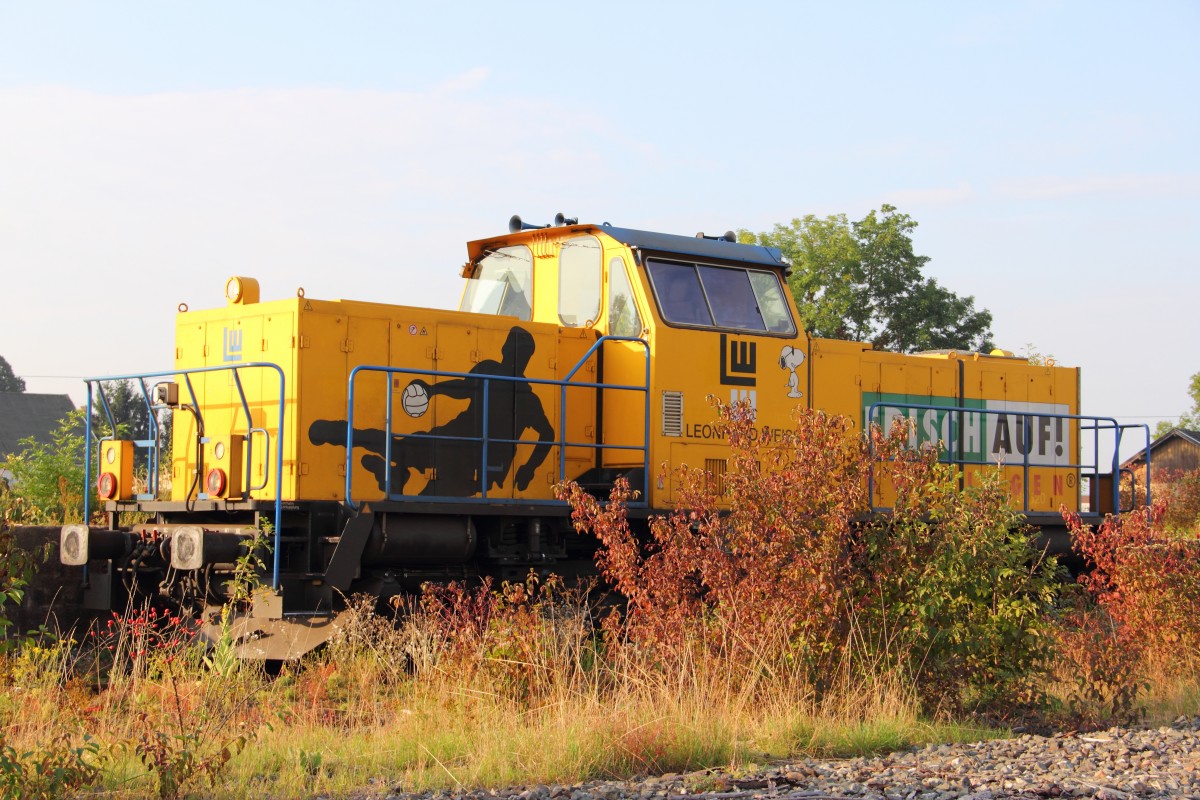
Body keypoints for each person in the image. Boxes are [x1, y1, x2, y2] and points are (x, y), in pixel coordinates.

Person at [309, 325, 556, 497]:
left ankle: (381, 465)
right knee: (402, 450)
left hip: (471, 458)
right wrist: (529, 469)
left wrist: (433, 389)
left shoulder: (520, 393)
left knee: (406, 457)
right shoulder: (524, 395)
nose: (513, 355)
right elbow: (547, 434)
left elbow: (548, 434)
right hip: (460, 445)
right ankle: (382, 465)